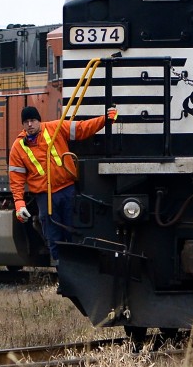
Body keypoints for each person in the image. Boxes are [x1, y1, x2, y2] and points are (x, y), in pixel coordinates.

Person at [8, 103, 116, 264]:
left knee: (74, 232)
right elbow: (16, 178)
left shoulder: (55, 128)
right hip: (44, 197)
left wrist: (106, 120)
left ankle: (77, 271)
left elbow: (82, 128)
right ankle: (62, 274)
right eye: (26, 122)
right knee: (53, 236)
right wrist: (19, 204)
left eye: (32, 120)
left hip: (67, 190)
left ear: (39, 121)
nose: (29, 124)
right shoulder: (18, 147)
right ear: (23, 125)